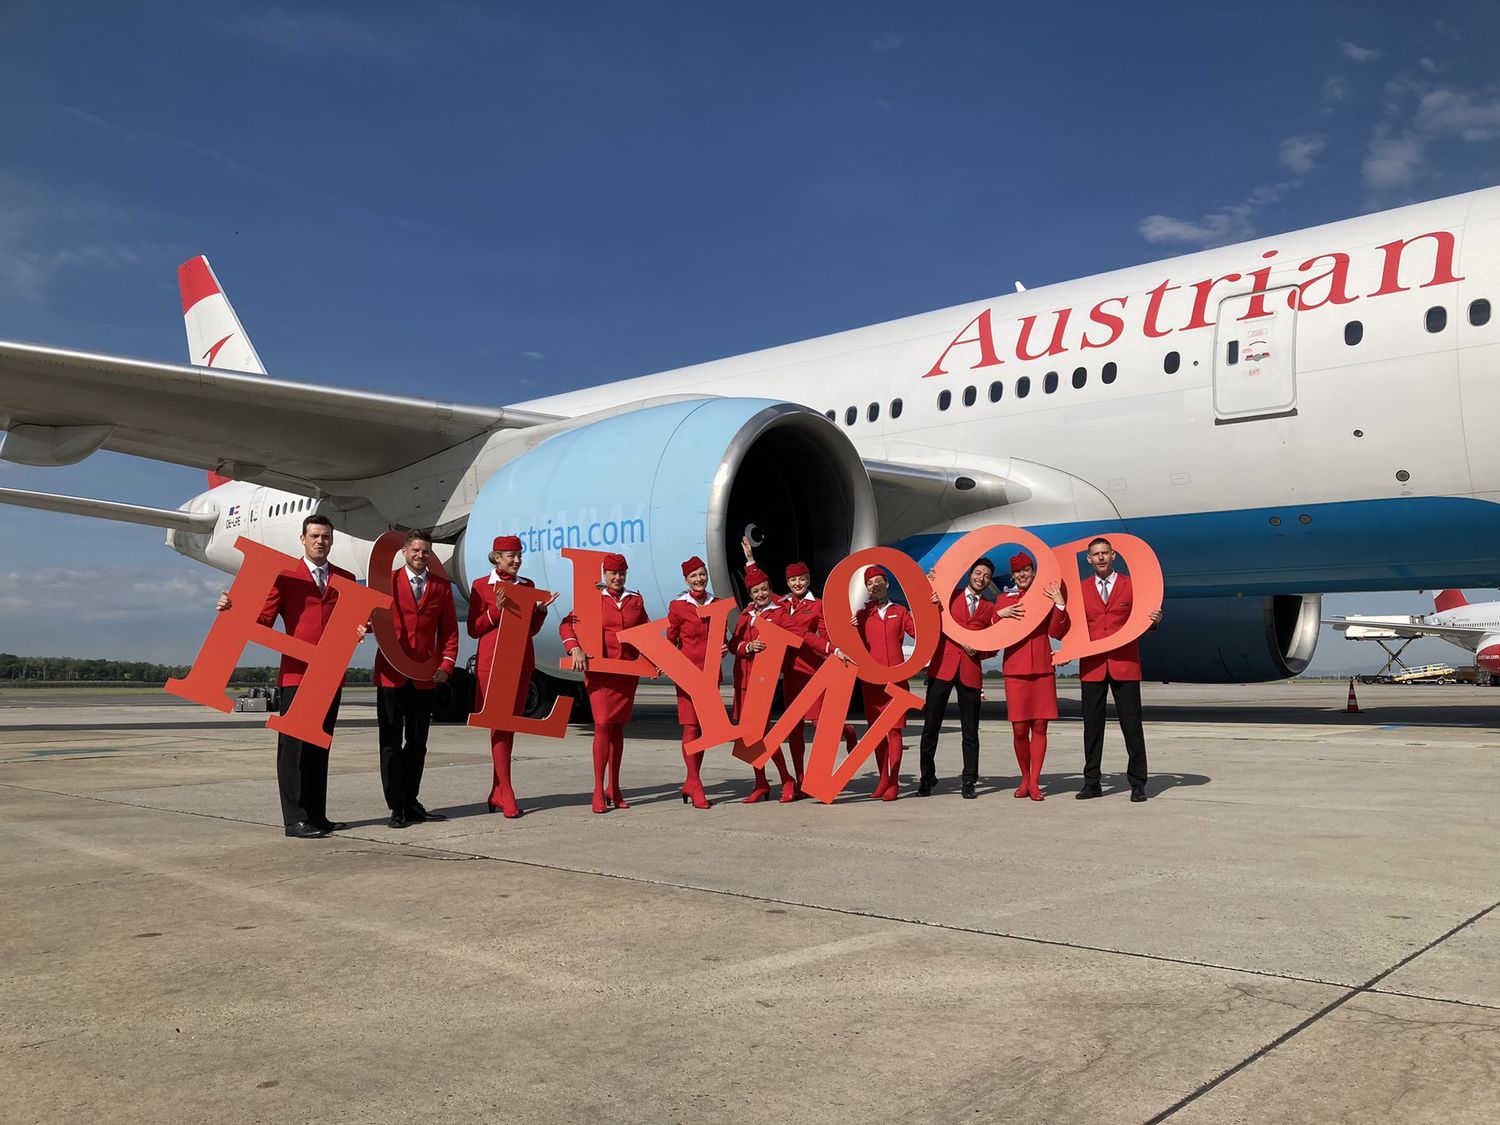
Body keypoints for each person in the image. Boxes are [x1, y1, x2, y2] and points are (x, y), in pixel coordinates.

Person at [216, 513, 364, 839]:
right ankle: (294, 819)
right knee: (293, 751)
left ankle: (316, 815)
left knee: (318, 749)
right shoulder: (286, 577)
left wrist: (360, 628)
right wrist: (233, 607)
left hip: (330, 674)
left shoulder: (345, 578)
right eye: (314, 536)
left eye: (325, 536)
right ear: (303, 539)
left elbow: (353, 620)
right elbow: (262, 620)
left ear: (331, 540)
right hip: (297, 674)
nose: (320, 541)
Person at [374, 529, 458, 829]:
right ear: (404, 552)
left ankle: (411, 800)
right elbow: (373, 619)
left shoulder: (440, 586)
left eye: (426, 552)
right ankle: (396, 805)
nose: (421, 556)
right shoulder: (387, 582)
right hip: (391, 675)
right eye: (416, 551)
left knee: (418, 743)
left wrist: (447, 664)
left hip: (425, 675)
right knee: (391, 744)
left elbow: (448, 629)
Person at [560, 553, 650, 813]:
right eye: (612, 573)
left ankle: (616, 787)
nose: (617, 578)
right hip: (601, 672)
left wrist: (655, 659)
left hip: (626, 673)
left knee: (618, 729)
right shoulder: (592, 598)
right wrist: (574, 648)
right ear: (604, 574)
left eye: (621, 573)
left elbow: (644, 631)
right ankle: (598, 789)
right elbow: (567, 626)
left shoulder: (635, 600)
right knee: (601, 725)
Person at [468, 534, 551, 818]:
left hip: (521, 661)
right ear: (496, 558)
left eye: (519, 555)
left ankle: (497, 791)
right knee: (498, 726)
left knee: (509, 727)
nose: (516, 560)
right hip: (493, 665)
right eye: (510, 556)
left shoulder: (528, 586)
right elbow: (474, 629)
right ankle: (507, 793)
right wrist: (496, 610)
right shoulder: (481, 586)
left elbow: (530, 631)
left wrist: (539, 613)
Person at [1077, 537, 1162, 802]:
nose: (1100, 557)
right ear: (1088, 559)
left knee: (1132, 726)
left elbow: (1142, 620)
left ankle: (1138, 783)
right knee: (1092, 728)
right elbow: (1067, 628)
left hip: (1125, 665)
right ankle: (1092, 782)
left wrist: (1154, 621)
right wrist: (1058, 604)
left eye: (1105, 553)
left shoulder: (1131, 586)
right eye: (1095, 554)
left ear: (1114, 556)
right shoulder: (1080, 589)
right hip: (1092, 666)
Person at [917, 557, 999, 800]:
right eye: (978, 573)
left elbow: (995, 644)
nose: (981, 578)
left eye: (986, 575)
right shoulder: (949, 597)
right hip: (942, 667)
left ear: (989, 580)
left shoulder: (990, 608)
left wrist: (980, 651)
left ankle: (969, 779)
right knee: (931, 727)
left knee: (970, 731)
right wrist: (930, 583)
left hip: (970, 671)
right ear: (969, 574)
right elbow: (927, 615)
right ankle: (926, 778)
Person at [995, 552, 1068, 802]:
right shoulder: (1003, 599)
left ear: (1033, 572)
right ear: (1013, 575)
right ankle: (1024, 777)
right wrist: (998, 615)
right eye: (1018, 572)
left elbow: (1056, 632)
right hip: (1015, 670)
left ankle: (1034, 781)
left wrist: (1059, 605)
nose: (1022, 575)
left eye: (1026, 570)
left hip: (1042, 669)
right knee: (1018, 729)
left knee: (1040, 726)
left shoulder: (1044, 595)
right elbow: (994, 633)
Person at [728, 565, 798, 803]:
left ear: (770, 590)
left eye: (764, 589)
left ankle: (786, 778)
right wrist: (747, 647)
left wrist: (750, 562)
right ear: (750, 594)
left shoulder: (779, 613)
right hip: (743, 682)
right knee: (750, 736)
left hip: (763, 681)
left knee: (763, 733)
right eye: (756, 591)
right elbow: (733, 645)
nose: (760, 594)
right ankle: (760, 782)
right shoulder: (745, 615)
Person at [665, 554, 728, 809]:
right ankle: (695, 782)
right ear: (686, 580)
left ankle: (691, 782)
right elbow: (670, 639)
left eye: (702, 574)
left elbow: (722, 635)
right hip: (687, 674)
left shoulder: (718, 604)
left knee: (703, 730)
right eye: (693, 576)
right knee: (691, 728)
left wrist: (723, 647)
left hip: (710, 674)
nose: (699, 579)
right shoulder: (678, 606)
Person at [853, 566, 917, 801]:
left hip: (897, 681)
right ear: (867, 588)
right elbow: (854, 645)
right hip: (872, 682)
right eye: (870, 583)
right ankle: (882, 779)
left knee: (894, 731)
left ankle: (894, 782)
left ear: (887, 583)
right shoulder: (861, 616)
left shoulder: (900, 612)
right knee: (877, 734)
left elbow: (918, 631)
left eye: (879, 581)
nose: (875, 586)